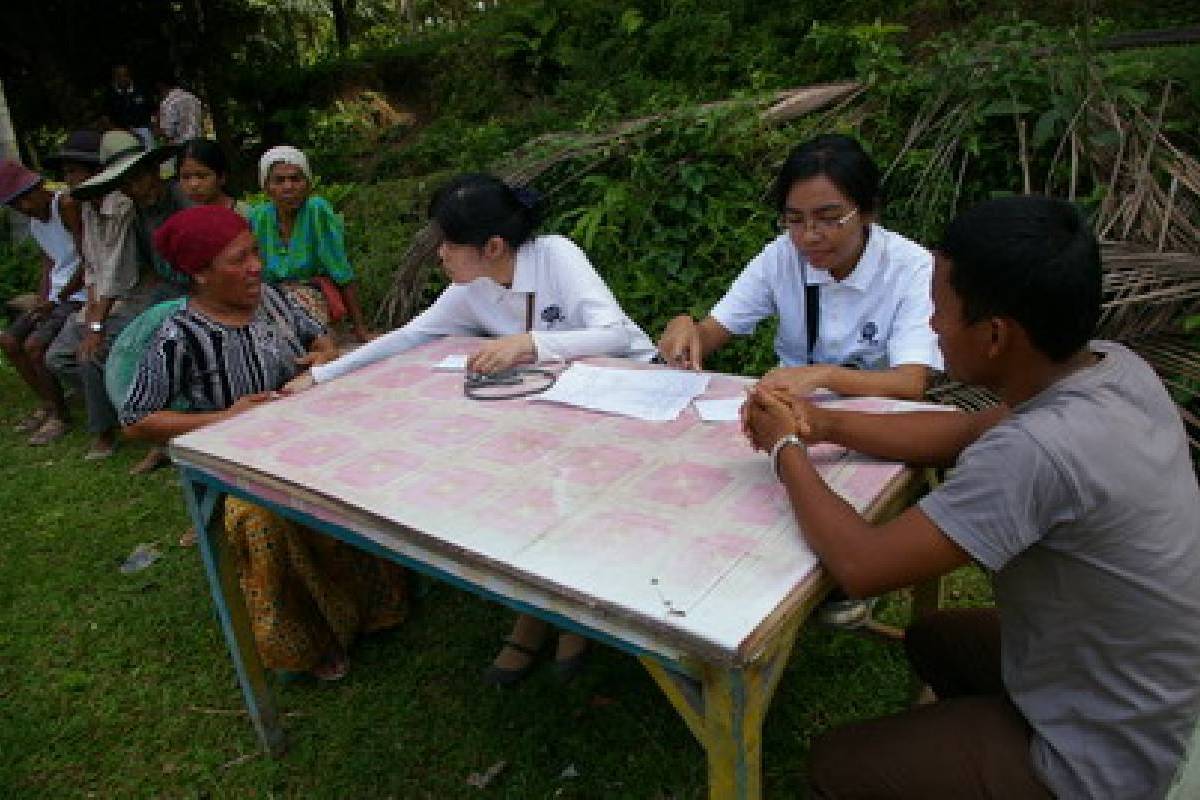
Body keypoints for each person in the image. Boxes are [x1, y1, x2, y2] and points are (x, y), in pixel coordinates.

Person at [741, 195, 1200, 798]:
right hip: (1166, 689)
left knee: (835, 763)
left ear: (994, 336)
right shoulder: (1115, 369)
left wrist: (784, 451)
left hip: (1125, 759)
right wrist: (822, 425)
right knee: (938, 641)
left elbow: (863, 566)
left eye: (939, 310)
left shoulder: (1037, 452)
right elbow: (959, 430)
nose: (931, 325)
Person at [284, 173, 655, 684]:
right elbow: (409, 336)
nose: (440, 254)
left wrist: (529, 343)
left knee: (586, 500)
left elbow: (614, 334)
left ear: (493, 246)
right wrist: (320, 376)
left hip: (629, 399)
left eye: (450, 243)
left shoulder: (556, 255)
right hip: (556, 409)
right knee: (532, 491)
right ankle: (539, 612)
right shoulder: (472, 288)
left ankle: (576, 617)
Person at [120, 205, 408, 680]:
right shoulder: (180, 337)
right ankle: (307, 639)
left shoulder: (273, 301)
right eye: (238, 260)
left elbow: (321, 339)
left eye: (255, 252)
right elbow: (135, 420)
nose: (256, 266)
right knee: (262, 517)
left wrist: (322, 354)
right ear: (200, 275)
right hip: (238, 464)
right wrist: (225, 417)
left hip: (307, 439)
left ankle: (378, 602)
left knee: (368, 461)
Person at [657, 134, 941, 401]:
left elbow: (911, 382)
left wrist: (824, 376)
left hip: (877, 420)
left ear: (868, 212)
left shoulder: (912, 269)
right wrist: (687, 329)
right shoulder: (782, 256)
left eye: (829, 219)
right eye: (794, 220)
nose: (809, 236)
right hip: (793, 411)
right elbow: (713, 331)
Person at [45, 130, 184, 460]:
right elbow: (108, 270)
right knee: (71, 353)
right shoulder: (134, 210)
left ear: (153, 173)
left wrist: (97, 323)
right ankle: (132, 415)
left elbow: (122, 273)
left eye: (137, 179)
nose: (133, 189)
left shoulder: (177, 200)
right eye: (125, 182)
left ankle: (121, 429)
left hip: (180, 294)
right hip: (149, 294)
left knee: (104, 347)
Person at [0, 159, 92, 445]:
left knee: (35, 346)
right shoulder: (35, 223)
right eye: (16, 204)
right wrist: (43, 299)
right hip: (57, 297)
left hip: (80, 294)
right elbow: (49, 263)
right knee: (9, 340)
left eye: (27, 198)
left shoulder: (64, 206)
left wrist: (58, 299)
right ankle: (48, 403)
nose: (25, 207)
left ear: (39, 187)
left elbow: (87, 258)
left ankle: (60, 417)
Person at [247, 145, 372, 341]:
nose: (288, 187)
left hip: (313, 295)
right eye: (279, 181)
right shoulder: (259, 216)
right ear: (267, 188)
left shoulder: (317, 211)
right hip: (271, 299)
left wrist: (360, 328)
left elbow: (340, 270)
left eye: (295, 179)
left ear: (307, 184)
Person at [176, 138, 244, 213]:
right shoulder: (184, 220)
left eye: (202, 176)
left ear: (222, 177)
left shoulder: (245, 217)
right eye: (186, 177)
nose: (194, 185)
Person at [102, 65, 155, 148]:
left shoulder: (142, 90)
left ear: (130, 76)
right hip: (120, 134)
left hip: (144, 132)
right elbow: (105, 119)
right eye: (119, 76)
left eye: (125, 75)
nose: (122, 79)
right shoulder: (110, 94)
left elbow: (153, 111)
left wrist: (153, 128)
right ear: (114, 78)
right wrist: (123, 132)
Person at [154, 80, 203, 145]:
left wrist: (157, 126)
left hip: (181, 145)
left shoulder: (169, 102)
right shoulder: (192, 97)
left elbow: (169, 131)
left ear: (161, 87)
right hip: (198, 141)